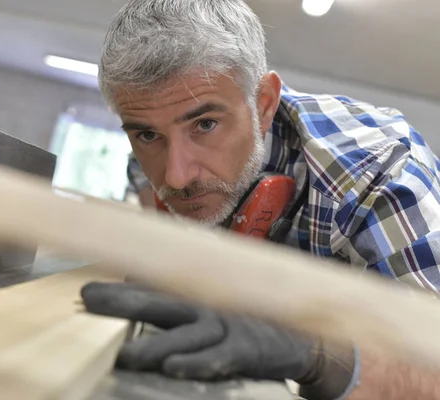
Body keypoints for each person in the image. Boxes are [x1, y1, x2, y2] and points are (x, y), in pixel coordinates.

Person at [80, 1, 440, 399]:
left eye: (205, 124)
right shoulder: (159, 144)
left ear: (264, 104)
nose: (176, 176)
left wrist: (317, 351)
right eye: (147, 136)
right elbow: (144, 175)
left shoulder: (377, 172)